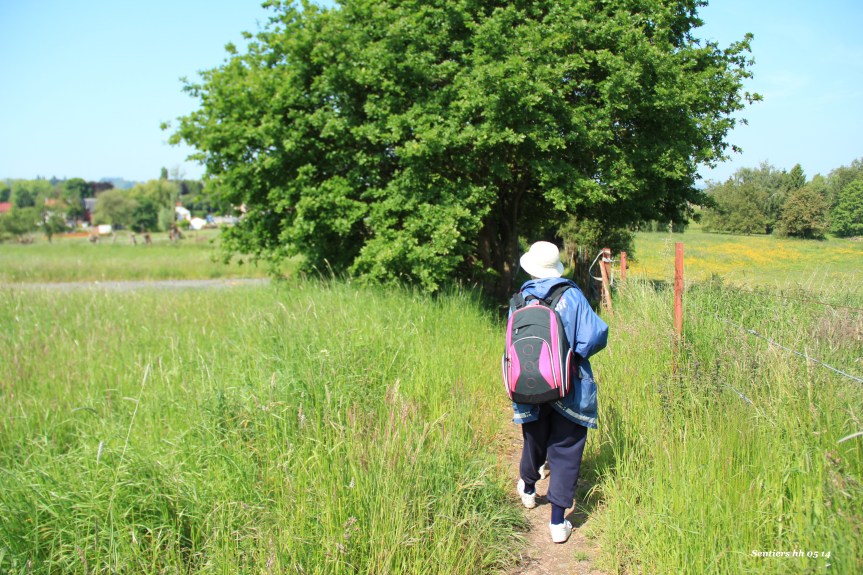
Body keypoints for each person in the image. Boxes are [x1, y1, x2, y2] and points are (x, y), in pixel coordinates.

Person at [510, 241, 608, 543]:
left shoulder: (520, 298)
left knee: (534, 439)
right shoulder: (572, 296)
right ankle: (557, 523)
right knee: (565, 448)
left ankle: (528, 489)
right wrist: (570, 358)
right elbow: (595, 336)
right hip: (570, 384)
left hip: (528, 383)